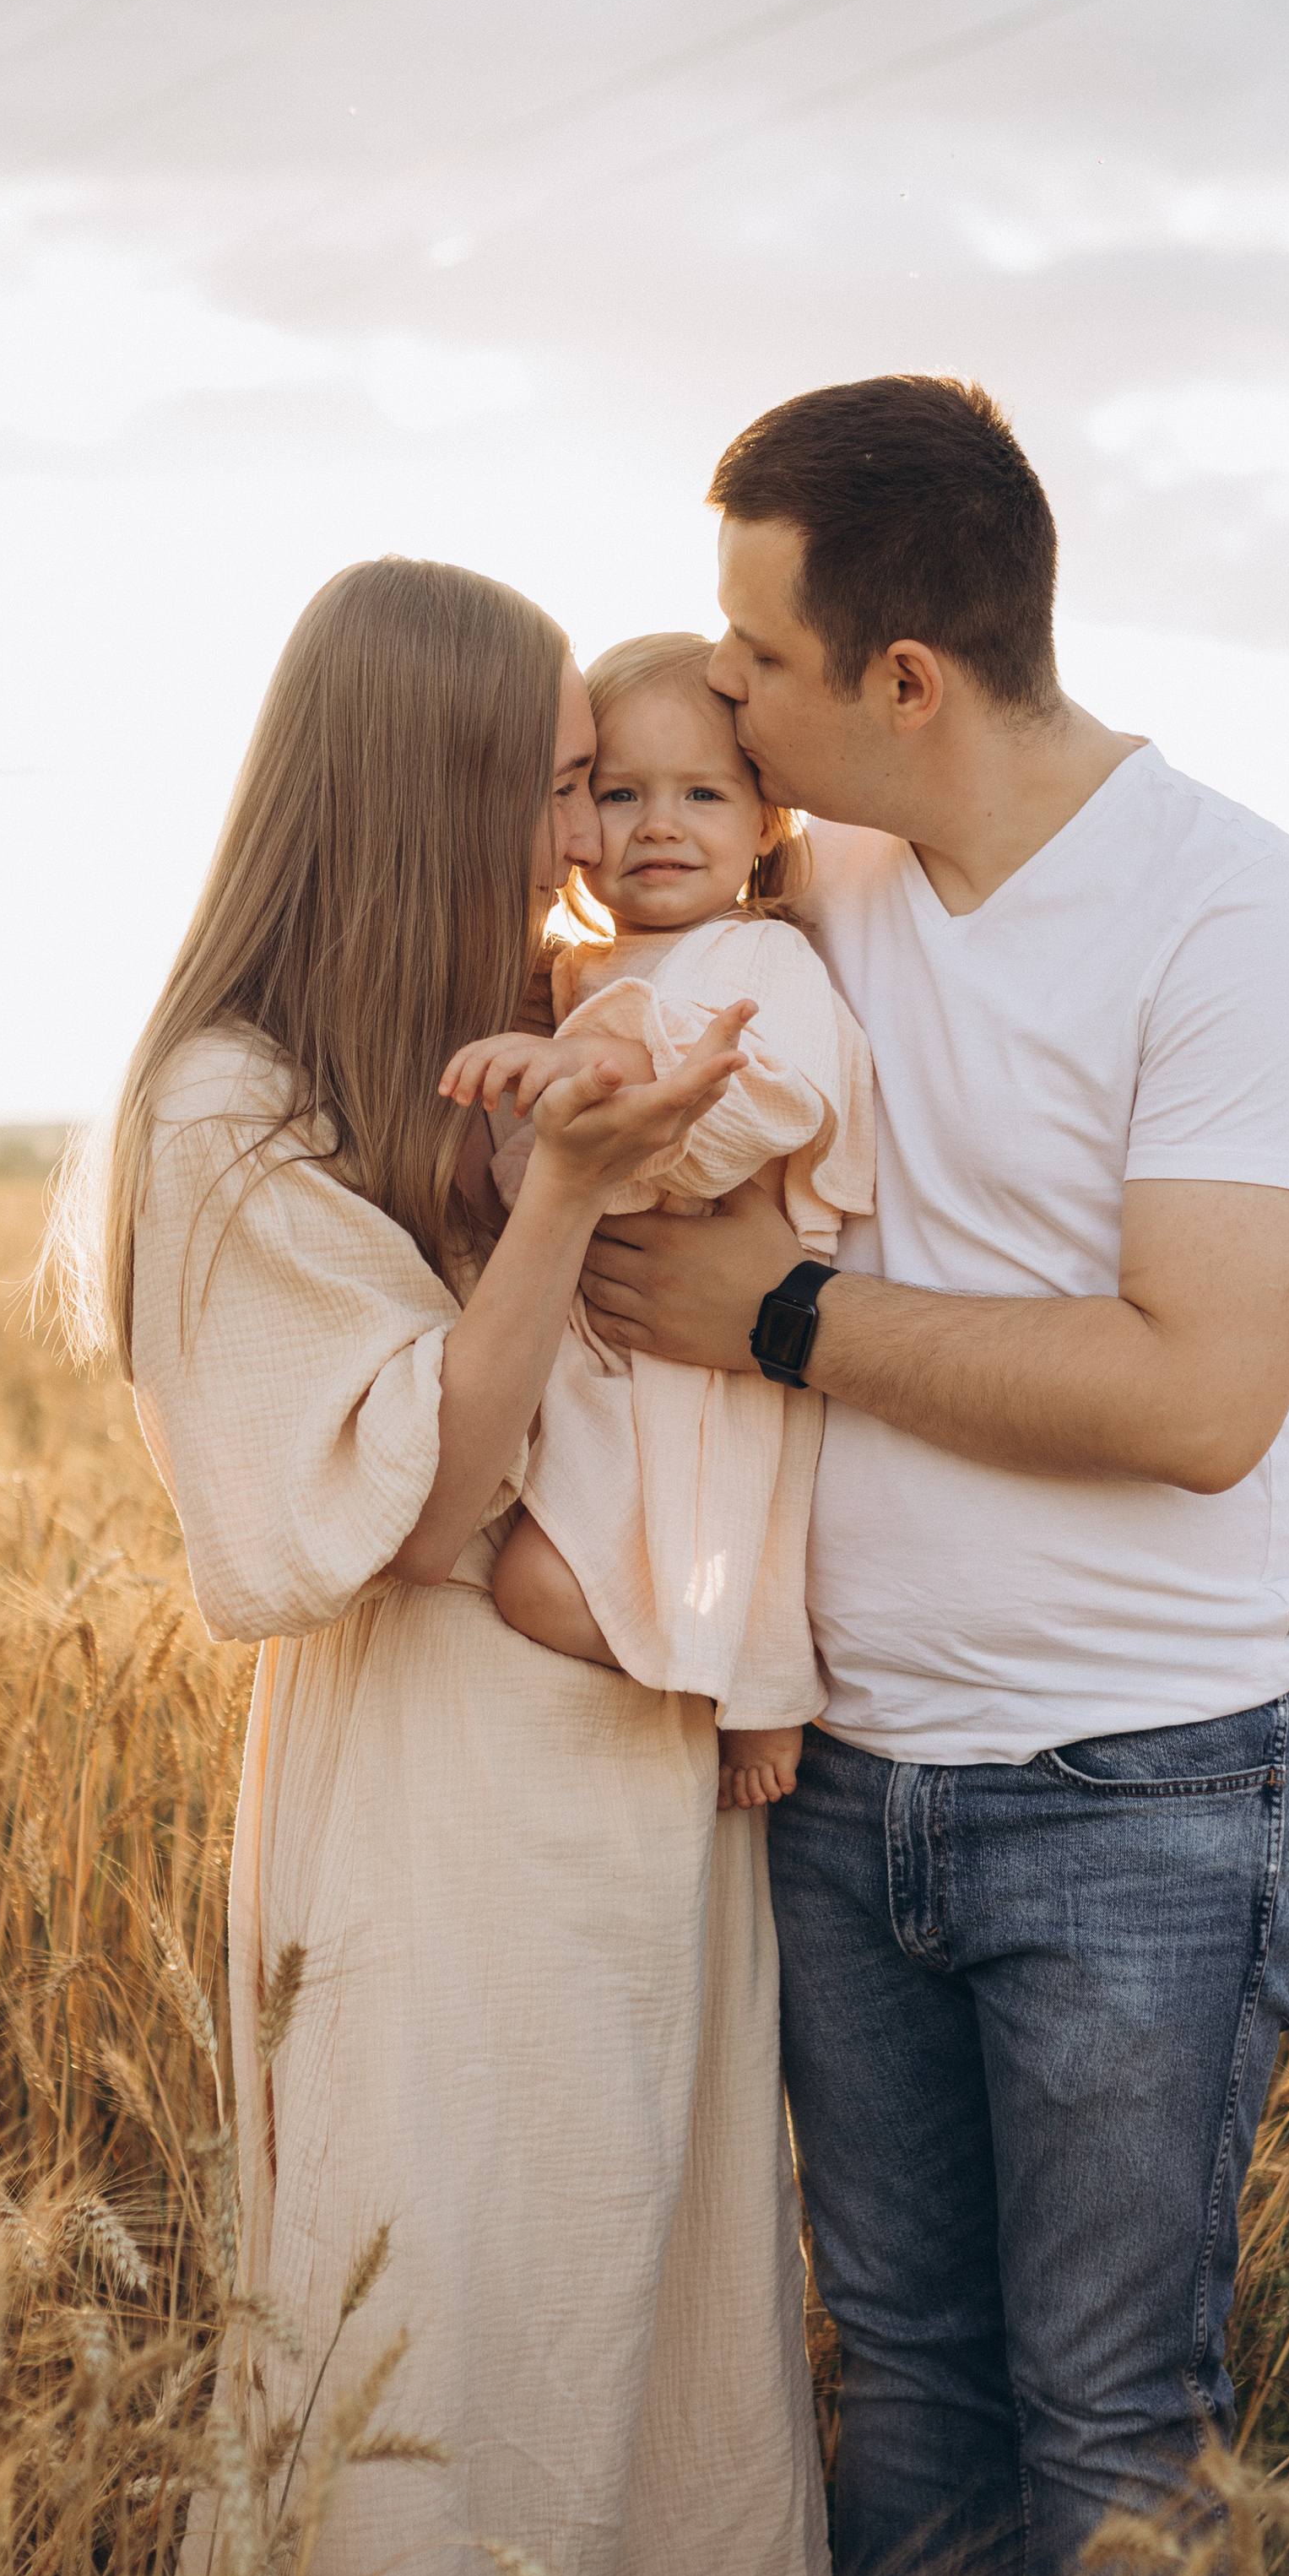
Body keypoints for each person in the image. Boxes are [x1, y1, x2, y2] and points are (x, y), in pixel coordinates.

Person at [578, 376, 1289, 2576]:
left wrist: (787, 1318)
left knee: (1118, 2424)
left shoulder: (1237, 914)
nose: (720, 698)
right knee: (906, 2388)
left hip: (1141, 1785)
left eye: (754, 659)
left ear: (898, 682)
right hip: (841, 1783)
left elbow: (1201, 1392)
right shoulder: (805, 869)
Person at [46, 560, 834, 2576]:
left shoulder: (510, 1034)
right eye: (565, 786)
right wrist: (569, 1196)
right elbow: (424, 1483)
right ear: (436, 782)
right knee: (443, 2303)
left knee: (642, 2316)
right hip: (438, 1798)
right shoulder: (228, 1106)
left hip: (635, 1764)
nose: (593, 840)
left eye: (609, 791)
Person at [441, 629, 874, 1811]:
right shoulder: (575, 972)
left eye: (701, 793)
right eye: (616, 793)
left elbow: (778, 1100)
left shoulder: (759, 954)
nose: (657, 824)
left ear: (763, 823)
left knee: (717, 1525)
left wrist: (602, 1056)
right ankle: (708, 1668)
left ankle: (758, 1682)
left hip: (704, 1353)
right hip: (593, 1351)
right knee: (535, 1575)